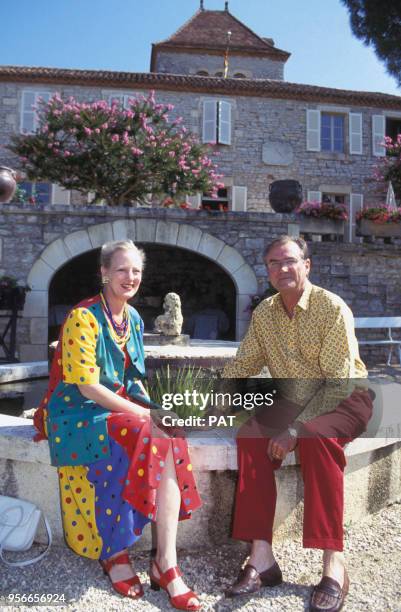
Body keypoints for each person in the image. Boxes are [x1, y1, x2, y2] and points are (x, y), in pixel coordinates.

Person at [33, 240, 201, 610]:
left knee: (169, 433)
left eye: (136, 271)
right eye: (122, 270)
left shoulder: (134, 320)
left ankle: (166, 563)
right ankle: (115, 552)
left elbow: (133, 378)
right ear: (104, 273)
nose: (130, 277)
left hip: (114, 410)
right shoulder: (84, 318)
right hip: (76, 412)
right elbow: (86, 386)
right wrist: (141, 414)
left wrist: (156, 409)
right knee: (143, 430)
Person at [222, 235, 373, 612]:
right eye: (273, 263)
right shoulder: (266, 313)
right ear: (268, 271)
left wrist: (294, 430)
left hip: (344, 396)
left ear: (307, 265)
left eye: (289, 261)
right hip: (293, 396)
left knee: (317, 437)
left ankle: (333, 564)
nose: (282, 269)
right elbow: (243, 364)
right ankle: (262, 558)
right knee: (251, 436)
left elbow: (338, 382)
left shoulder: (330, 307)